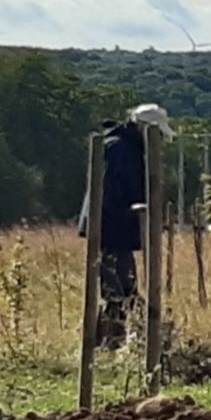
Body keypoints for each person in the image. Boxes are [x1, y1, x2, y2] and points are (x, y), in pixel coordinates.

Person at [78, 104, 175, 348]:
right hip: (110, 231)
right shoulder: (120, 149)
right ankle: (110, 344)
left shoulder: (126, 147)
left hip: (115, 230)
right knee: (116, 291)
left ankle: (119, 342)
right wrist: (136, 212)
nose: (160, 141)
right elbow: (112, 194)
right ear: (143, 129)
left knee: (125, 288)